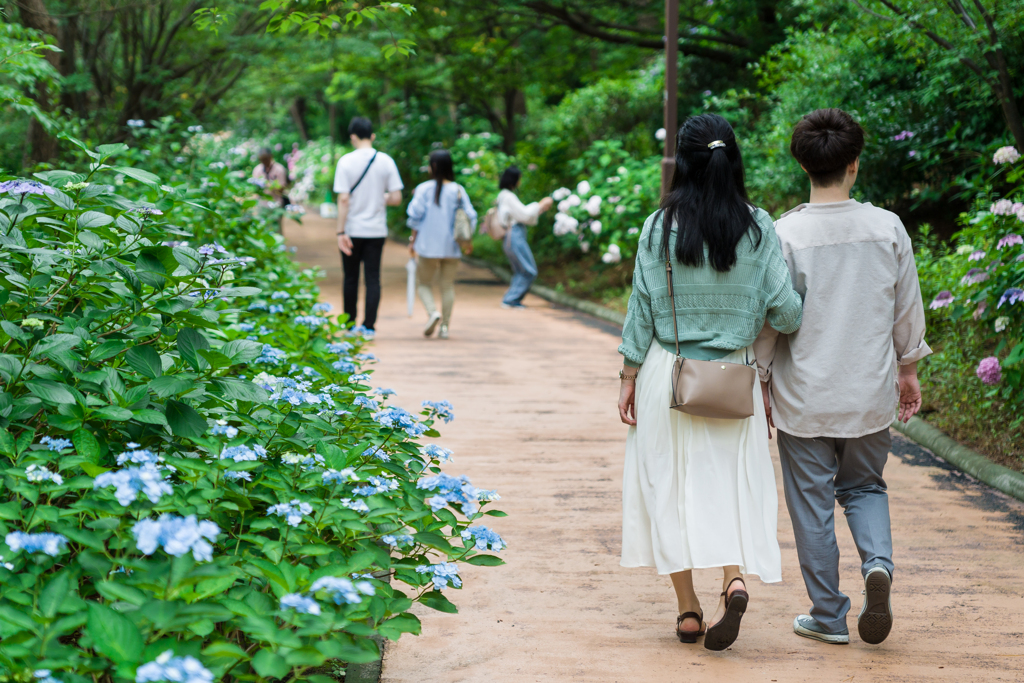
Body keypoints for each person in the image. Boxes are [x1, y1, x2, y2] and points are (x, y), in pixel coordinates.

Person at [617, 113, 803, 651]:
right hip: (733, 380)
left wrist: (627, 377)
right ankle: (733, 579)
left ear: (683, 163)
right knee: (727, 485)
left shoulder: (658, 227)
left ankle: (688, 610)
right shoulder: (758, 226)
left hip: (668, 376)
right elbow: (787, 314)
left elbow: (640, 314)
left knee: (667, 487)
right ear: (732, 159)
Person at [754, 108, 931, 646]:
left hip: (803, 398)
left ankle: (828, 616)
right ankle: (878, 565)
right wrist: (908, 369)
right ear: (854, 164)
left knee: (811, 504)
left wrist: (760, 379)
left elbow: (770, 318)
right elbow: (907, 310)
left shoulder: (784, 234)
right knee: (865, 486)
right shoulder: (886, 228)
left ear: (802, 165)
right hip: (868, 394)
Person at [333, 117, 404, 337]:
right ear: (372, 136)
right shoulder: (386, 161)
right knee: (373, 278)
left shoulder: (345, 161)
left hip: (352, 230)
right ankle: (369, 327)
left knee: (351, 277)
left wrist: (340, 231)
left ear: (353, 136)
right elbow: (396, 198)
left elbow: (343, 199)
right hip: (376, 231)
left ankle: (349, 325)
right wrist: (378, 198)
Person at [406, 149, 478, 339]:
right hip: (451, 247)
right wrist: (467, 241)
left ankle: (432, 313)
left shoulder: (423, 189)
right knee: (447, 286)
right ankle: (445, 327)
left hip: (427, 246)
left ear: (433, 167)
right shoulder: (458, 190)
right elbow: (470, 217)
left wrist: (412, 241)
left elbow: (415, 217)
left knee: (424, 284)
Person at [495, 166, 553, 308]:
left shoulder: (502, 196)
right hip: (514, 235)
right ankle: (511, 299)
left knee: (521, 270)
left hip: (510, 236)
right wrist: (540, 205)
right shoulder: (508, 196)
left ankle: (511, 298)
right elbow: (525, 215)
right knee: (529, 270)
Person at [252, 148, 291, 232]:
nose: (264, 162)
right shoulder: (257, 170)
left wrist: (271, 186)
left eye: (266, 159)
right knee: (262, 229)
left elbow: (282, 189)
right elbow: (255, 189)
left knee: (276, 229)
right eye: (262, 160)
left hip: (276, 203)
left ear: (271, 157)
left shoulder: (279, 169)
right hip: (262, 204)